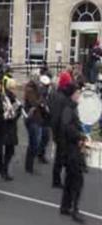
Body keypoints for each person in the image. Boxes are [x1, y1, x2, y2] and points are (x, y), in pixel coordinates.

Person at [59, 83, 87, 223]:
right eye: (77, 93)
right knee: (77, 181)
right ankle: (74, 210)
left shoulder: (72, 108)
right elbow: (67, 127)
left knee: (71, 179)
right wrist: (79, 136)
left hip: (71, 149)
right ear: (72, 94)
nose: (79, 95)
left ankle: (65, 206)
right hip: (71, 150)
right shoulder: (69, 109)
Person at [49, 74, 72, 188]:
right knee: (59, 156)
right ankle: (56, 180)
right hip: (60, 133)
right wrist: (56, 133)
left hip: (60, 132)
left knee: (60, 156)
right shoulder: (61, 98)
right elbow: (56, 117)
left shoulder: (59, 95)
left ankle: (57, 179)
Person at [1, 78, 22, 181]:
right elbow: (6, 114)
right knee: (7, 150)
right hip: (6, 127)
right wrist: (15, 113)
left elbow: (16, 112)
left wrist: (18, 111)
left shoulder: (14, 98)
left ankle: (4, 169)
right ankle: (3, 170)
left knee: (10, 150)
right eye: (13, 88)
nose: (15, 90)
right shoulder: (6, 98)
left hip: (12, 127)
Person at [23, 80, 43, 174]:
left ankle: (29, 164)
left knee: (35, 142)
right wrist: (41, 99)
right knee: (34, 143)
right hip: (32, 120)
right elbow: (34, 103)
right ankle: (29, 165)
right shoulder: (30, 91)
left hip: (36, 119)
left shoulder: (35, 91)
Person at [37, 75, 52, 164]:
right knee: (44, 137)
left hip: (46, 118)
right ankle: (40, 154)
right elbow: (41, 104)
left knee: (45, 138)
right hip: (43, 118)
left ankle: (40, 153)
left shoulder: (46, 93)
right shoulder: (41, 93)